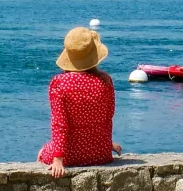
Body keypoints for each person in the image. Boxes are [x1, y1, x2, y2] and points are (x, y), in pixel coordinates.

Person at [38, 27, 121, 177]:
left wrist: (58, 159)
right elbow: (108, 116)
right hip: (100, 153)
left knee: (43, 151)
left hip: (70, 156)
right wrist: (106, 144)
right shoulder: (105, 81)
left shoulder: (59, 84)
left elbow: (60, 124)